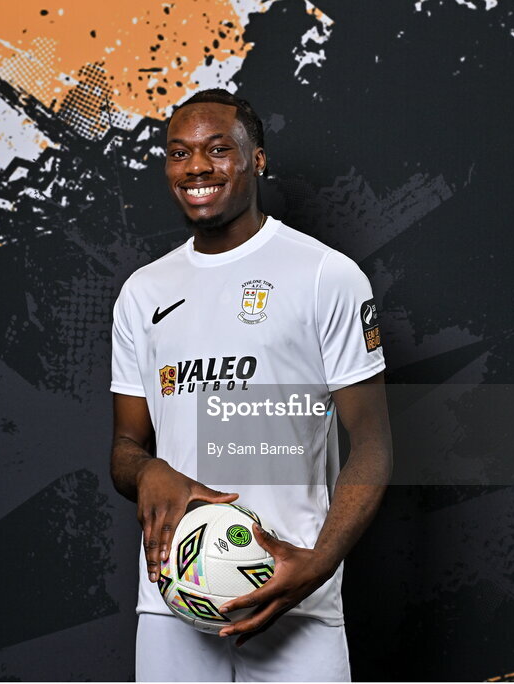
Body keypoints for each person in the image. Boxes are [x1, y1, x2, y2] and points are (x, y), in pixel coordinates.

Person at [110, 88, 392, 682]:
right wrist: (148, 470)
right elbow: (126, 448)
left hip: (296, 595)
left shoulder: (325, 275)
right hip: (173, 599)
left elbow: (372, 443)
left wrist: (317, 566)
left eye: (218, 149)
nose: (196, 167)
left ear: (256, 159)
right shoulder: (142, 292)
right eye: (179, 153)